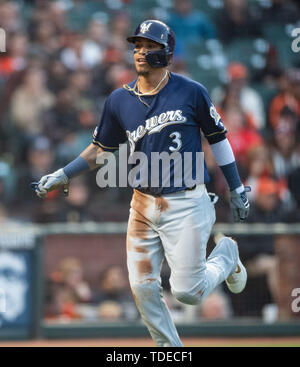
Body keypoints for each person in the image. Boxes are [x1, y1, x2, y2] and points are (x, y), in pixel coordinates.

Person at [33, 20, 250, 347]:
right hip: (143, 204)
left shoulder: (191, 91)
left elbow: (218, 139)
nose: (140, 52)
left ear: (168, 54)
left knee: (187, 293)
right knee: (144, 288)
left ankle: (227, 254)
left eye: (150, 47)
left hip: (187, 201)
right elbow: (100, 150)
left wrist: (234, 187)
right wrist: (65, 173)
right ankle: (170, 351)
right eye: (137, 46)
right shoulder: (119, 100)